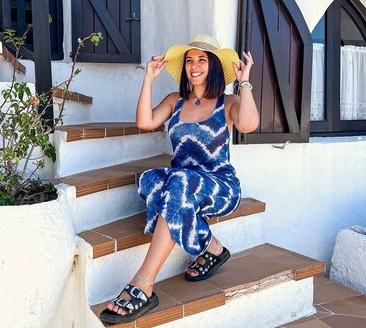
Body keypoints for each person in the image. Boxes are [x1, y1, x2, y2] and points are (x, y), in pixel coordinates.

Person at [99, 34, 260, 324]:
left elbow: (248, 124)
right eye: (189, 60)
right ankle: (212, 247)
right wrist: (149, 78)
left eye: (202, 60)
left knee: (178, 185)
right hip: (182, 182)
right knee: (152, 180)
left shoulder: (228, 102)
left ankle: (143, 282)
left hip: (219, 185)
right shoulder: (175, 101)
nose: (194, 66)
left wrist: (244, 82)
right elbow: (145, 121)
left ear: (213, 65)